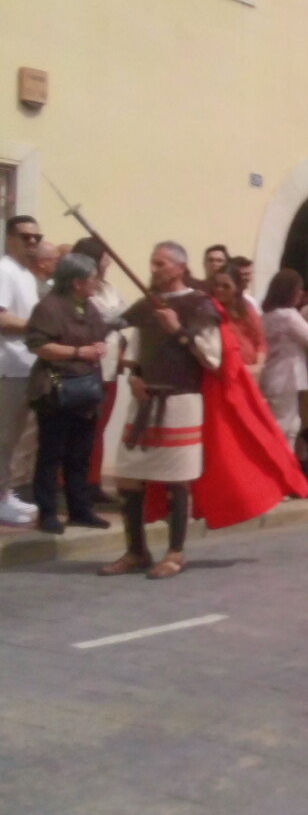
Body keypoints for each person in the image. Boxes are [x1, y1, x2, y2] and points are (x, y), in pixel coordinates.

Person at [98, 241, 223, 579]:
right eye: (153, 263)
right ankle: (136, 550)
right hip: (143, 402)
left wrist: (178, 331)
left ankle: (175, 552)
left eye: (161, 264)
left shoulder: (199, 305)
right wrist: (135, 376)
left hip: (181, 402)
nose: (154, 270)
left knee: (177, 480)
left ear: (180, 268)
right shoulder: (147, 307)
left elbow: (212, 358)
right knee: (128, 476)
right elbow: (134, 351)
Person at [24, 254, 112, 534]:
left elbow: (99, 332)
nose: (96, 283)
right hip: (57, 389)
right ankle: (48, 512)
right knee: (51, 454)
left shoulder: (88, 306)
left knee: (80, 453)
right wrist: (77, 352)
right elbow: (38, 345)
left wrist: (99, 346)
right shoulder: (49, 307)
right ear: (76, 282)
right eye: (92, 278)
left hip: (85, 389)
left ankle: (80, 509)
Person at [72, 237, 126, 501]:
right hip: (89, 367)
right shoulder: (80, 290)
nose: (109, 261)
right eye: (105, 256)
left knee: (100, 427)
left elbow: (119, 316)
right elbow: (103, 318)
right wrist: (119, 317)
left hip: (111, 366)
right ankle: (76, 483)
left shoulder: (108, 287)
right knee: (84, 428)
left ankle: (92, 481)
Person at [0, 215, 43, 524]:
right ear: (10, 238)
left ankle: (6, 493)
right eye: (25, 237)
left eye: (36, 238)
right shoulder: (3, 271)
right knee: (4, 438)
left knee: (17, 439)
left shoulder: (26, 275)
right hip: (7, 368)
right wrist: (38, 328)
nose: (32, 242)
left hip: (26, 368)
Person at [259, 269, 308, 449]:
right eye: (298, 289)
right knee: (282, 426)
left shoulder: (268, 315)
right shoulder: (287, 315)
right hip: (285, 378)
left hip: (276, 376)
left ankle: (287, 467)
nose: (301, 293)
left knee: (292, 425)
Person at [211, 265, 266, 378]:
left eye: (226, 286)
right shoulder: (209, 310)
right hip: (224, 373)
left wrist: (258, 366)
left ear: (236, 288)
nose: (219, 289)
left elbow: (260, 342)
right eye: (216, 285)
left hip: (250, 371)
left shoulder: (246, 309)